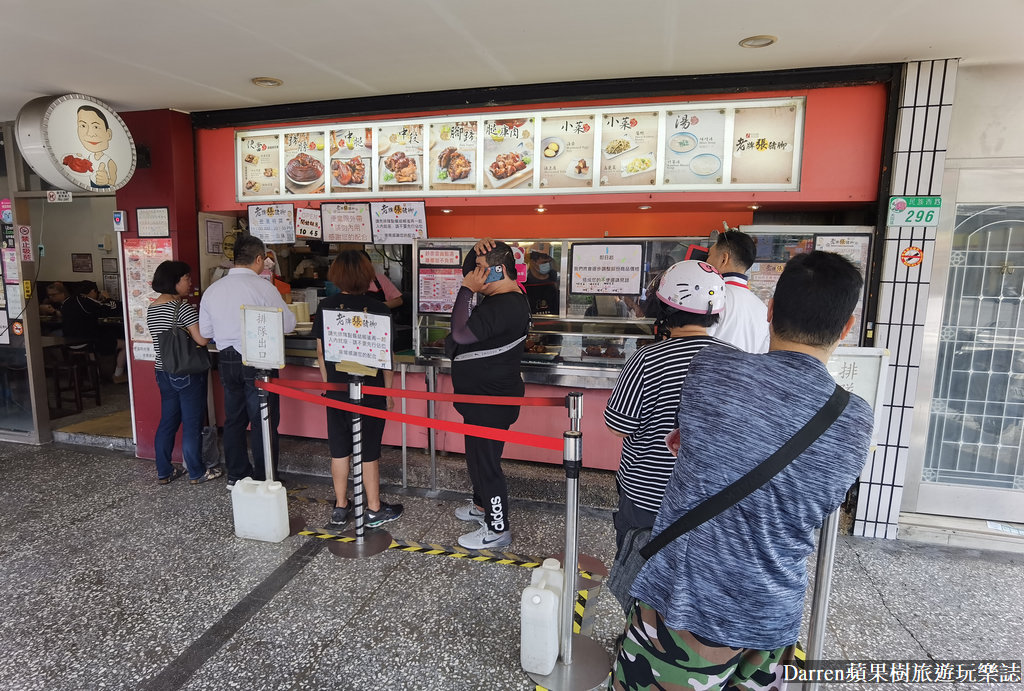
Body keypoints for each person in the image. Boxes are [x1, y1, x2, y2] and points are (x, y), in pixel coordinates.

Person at [612, 251, 875, 690]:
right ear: (846, 327)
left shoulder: (713, 369)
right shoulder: (854, 417)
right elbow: (821, 499)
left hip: (683, 605)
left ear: (770, 310)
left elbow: (683, 438)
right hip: (771, 619)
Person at [604, 261, 732, 558]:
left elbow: (617, 426)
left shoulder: (648, 359)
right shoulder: (737, 360)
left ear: (665, 310)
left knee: (640, 581)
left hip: (648, 499)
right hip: (710, 501)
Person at [446, 240, 531, 550]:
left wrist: (466, 290)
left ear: (497, 271)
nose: (472, 276)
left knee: (487, 464)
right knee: (476, 457)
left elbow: (460, 333)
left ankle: (497, 528)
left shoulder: (507, 302)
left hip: (490, 401)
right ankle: (481, 506)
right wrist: (478, 251)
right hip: (480, 398)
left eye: (478, 271)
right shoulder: (500, 298)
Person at [313, 250, 403, 528]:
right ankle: (373, 508)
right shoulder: (379, 308)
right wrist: (388, 392)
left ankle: (341, 507)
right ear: (367, 276)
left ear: (336, 276)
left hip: (337, 390)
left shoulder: (326, 306)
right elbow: (386, 357)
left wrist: (329, 387)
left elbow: (320, 353)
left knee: (339, 449)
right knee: (368, 449)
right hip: (371, 390)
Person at [199, 235, 296, 489]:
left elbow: (206, 331)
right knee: (264, 420)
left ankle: (237, 476)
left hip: (227, 359)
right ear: (258, 259)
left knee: (234, 419)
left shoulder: (213, 289)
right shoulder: (264, 288)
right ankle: (266, 478)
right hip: (259, 359)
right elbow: (288, 324)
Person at [147, 261, 224, 486]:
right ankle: (197, 472)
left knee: (168, 421)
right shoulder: (182, 307)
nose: (190, 282)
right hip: (187, 372)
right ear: (175, 281)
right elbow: (201, 339)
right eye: (186, 278)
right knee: (192, 423)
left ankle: (164, 471)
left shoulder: (153, 307)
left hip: (163, 371)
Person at [705, 229, 770, 353]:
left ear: (724, 259)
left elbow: (695, 345)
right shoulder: (762, 309)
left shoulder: (713, 298)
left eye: (709, 256)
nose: (706, 261)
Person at [60, 280, 128, 382]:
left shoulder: (67, 302)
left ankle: (94, 374)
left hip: (69, 341)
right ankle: (118, 375)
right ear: (92, 291)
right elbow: (111, 309)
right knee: (125, 345)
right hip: (88, 341)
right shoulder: (85, 300)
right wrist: (107, 298)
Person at [523, 241, 558, 314]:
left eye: (549, 262)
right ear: (532, 262)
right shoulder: (525, 282)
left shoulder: (555, 280)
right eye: (544, 262)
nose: (547, 265)